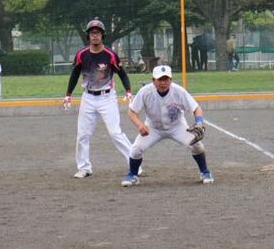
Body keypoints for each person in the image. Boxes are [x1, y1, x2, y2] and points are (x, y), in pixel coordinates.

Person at [63, 18, 135, 179]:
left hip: (107, 97)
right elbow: (75, 74)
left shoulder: (110, 55)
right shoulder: (81, 54)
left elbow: (122, 74)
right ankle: (84, 168)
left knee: (115, 133)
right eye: (92, 33)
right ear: (88, 36)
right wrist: (68, 94)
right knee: (82, 135)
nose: (95, 35)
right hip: (88, 97)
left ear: (102, 35)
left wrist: (128, 91)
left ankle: (134, 163)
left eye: (98, 33)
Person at [122, 64, 213, 187]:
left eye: (166, 79)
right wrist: (140, 125)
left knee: (196, 145)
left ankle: (205, 172)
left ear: (171, 80)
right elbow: (131, 111)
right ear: (153, 81)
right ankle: (132, 175)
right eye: (159, 79)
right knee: (136, 149)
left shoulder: (179, 91)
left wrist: (199, 123)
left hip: (177, 126)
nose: (163, 83)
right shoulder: (145, 92)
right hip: (153, 127)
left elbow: (196, 109)